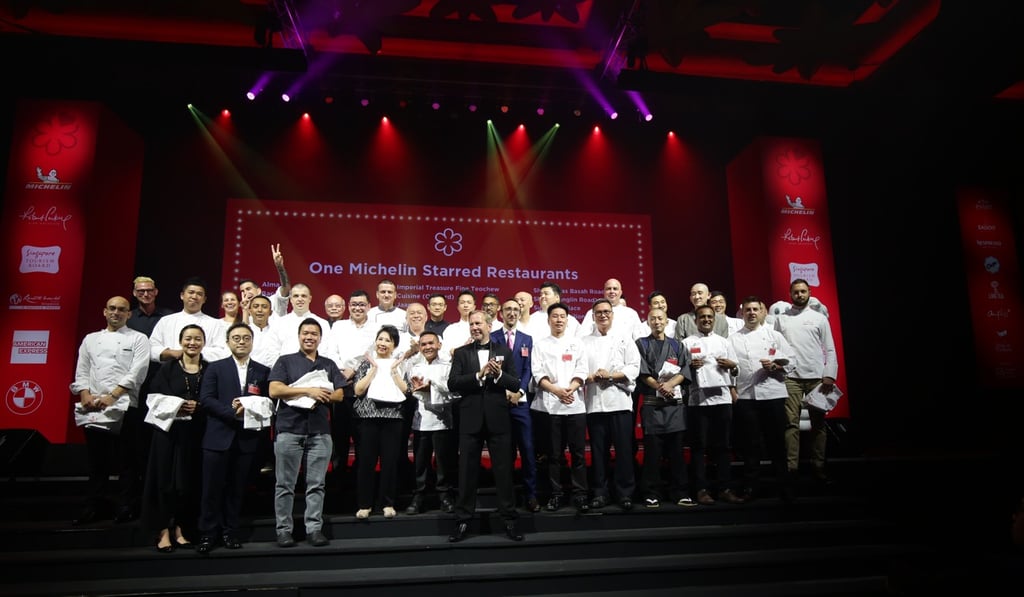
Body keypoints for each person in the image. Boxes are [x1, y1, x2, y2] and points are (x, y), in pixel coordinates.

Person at [69, 296, 150, 526]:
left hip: (125, 405)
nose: (116, 312)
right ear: (104, 311)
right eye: (112, 308)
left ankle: (126, 505)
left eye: (122, 309)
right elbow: (83, 369)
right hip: (94, 405)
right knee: (97, 461)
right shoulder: (91, 339)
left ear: (129, 314)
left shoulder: (138, 338)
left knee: (127, 460)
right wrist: (84, 393)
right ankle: (94, 506)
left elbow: (137, 372)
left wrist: (113, 395)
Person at [268, 318, 349, 548]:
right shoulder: (285, 361)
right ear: (299, 336)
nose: (309, 337)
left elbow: (339, 394)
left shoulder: (328, 364)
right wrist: (309, 391)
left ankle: (314, 529)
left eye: (314, 334)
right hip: (289, 429)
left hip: (320, 432)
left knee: (317, 484)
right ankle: (284, 530)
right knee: (285, 484)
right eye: (305, 333)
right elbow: (274, 389)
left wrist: (323, 394)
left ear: (320, 338)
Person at [447, 310, 523, 543]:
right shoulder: (461, 353)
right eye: (472, 324)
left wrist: (499, 376)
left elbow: (515, 383)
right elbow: (452, 383)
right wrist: (478, 375)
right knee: (466, 472)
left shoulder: (504, 351)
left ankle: (509, 520)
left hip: (498, 418)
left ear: (489, 326)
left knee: (503, 471)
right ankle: (462, 521)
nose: (474, 327)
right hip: (470, 419)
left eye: (478, 323)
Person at [195, 322, 271, 554]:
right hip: (217, 437)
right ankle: (208, 534)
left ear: (252, 342)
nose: (241, 342)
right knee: (211, 489)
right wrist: (232, 413)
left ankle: (230, 532)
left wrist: (250, 408)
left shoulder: (262, 371)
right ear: (227, 342)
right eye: (236, 338)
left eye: (246, 338)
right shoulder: (215, 368)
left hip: (246, 439)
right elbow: (206, 399)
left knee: (237, 489)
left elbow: (268, 401)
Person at [141, 324, 207, 552]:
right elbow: (152, 398)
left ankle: (180, 529)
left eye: (197, 339)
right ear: (180, 342)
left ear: (204, 343)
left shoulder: (209, 369)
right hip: (167, 433)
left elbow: (213, 397)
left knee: (187, 483)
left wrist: (199, 406)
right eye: (188, 338)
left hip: (195, 434)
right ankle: (162, 531)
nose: (192, 343)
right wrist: (177, 406)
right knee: (163, 481)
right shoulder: (167, 369)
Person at [729, 296, 794, 502]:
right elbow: (730, 368)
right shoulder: (733, 338)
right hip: (746, 396)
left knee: (777, 443)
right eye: (747, 310)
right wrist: (732, 389)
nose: (751, 313)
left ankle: (784, 487)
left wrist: (776, 366)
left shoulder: (774, 335)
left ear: (762, 311)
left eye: (755, 309)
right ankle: (751, 487)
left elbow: (792, 360)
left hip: (773, 393)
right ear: (742, 313)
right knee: (750, 444)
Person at [774, 279, 839, 485]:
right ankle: (791, 468)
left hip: (817, 378)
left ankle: (818, 466)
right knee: (790, 424)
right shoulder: (781, 319)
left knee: (818, 424)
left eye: (803, 291)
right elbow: (776, 347)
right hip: (790, 377)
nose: (800, 295)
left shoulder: (819, 318)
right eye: (796, 292)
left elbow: (830, 348)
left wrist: (830, 374)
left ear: (809, 292)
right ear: (790, 294)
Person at [681, 305, 745, 505]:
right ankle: (701, 489)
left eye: (710, 317)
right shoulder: (686, 343)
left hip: (722, 399)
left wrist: (732, 366)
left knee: (723, 446)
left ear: (714, 320)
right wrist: (689, 366)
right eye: (702, 317)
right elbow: (679, 372)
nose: (706, 319)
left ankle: (724, 488)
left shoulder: (724, 342)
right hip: (697, 400)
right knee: (699, 447)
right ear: (696, 320)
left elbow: (736, 370)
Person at [581, 298, 640, 511]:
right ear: (593, 316)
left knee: (624, 451)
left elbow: (634, 367)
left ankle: (625, 493)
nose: (603, 315)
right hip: (595, 403)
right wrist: (593, 376)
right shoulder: (584, 341)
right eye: (599, 312)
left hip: (620, 402)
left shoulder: (625, 338)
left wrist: (611, 376)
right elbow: (578, 369)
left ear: (612, 315)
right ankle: (599, 493)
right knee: (598, 453)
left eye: (606, 312)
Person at [531, 302, 590, 512]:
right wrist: (556, 391)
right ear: (548, 320)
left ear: (567, 320)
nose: (558, 320)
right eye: (554, 316)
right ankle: (556, 494)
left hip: (575, 405)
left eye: (562, 316)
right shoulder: (540, 345)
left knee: (578, 454)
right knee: (554, 455)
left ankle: (580, 494)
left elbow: (582, 370)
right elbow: (537, 373)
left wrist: (570, 390)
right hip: (550, 407)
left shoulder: (577, 343)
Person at [635, 307, 695, 507]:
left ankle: (680, 492)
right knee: (652, 453)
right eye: (653, 319)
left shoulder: (677, 345)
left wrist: (670, 385)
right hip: (653, 406)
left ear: (666, 321)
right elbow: (642, 372)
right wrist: (660, 386)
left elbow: (685, 370)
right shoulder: (641, 344)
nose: (657, 322)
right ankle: (651, 492)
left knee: (677, 452)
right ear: (648, 322)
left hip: (674, 405)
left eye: (660, 318)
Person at [125, 276, 173, 519]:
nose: (145, 294)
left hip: (163, 386)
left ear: (156, 292)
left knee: (160, 442)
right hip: (134, 387)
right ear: (135, 293)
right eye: (140, 291)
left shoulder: (168, 318)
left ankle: (158, 498)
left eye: (149, 290)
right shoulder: (128, 318)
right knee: (134, 445)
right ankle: (133, 501)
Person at [351, 325, 409, 520]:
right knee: (366, 462)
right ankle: (364, 504)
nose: (382, 343)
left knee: (390, 462)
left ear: (394, 345)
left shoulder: (400, 364)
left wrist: (393, 371)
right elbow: (358, 390)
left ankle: (387, 503)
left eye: (387, 340)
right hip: (368, 419)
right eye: (380, 339)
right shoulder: (366, 363)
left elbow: (406, 390)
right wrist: (374, 369)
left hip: (393, 418)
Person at [491, 298, 539, 512]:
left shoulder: (527, 339)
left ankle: (531, 495)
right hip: (499, 401)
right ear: (501, 313)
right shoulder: (492, 337)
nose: (512, 313)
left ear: (520, 313)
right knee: (504, 452)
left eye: (515, 310)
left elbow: (528, 369)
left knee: (527, 449)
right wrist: (505, 391)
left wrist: (519, 391)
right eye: (508, 309)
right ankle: (506, 497)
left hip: (520, 401)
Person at [403, 330, 457, 515]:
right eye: (423, 344)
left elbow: (455, 393)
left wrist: (431, 388)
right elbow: (409, 392)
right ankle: (419, 495)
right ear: (419, 347)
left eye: (431, 343)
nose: (427, 347)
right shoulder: (414, 367)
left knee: (443, 462)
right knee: (420, 462)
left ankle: (444, 495)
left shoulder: (448, 367)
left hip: (443, 420)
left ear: (439, 345)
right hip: (421, 421)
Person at [149, 277, 229, 365]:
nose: (194, 296)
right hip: (170, 369)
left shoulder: (215, 324)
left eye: (199, 294)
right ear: (182, 295)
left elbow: (222, 351)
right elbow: (152, 348)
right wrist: (173, 353)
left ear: (204, 299)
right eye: (191, 292)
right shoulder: (166, 321)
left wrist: (193, 352)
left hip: (203, 370)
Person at [268, 283, 330, 357]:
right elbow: (272, 352)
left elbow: (325, 352)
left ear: (310, 299)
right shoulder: (278, 323)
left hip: (314, 364)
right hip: (283, 364)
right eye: (296, 296)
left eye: (303, 296)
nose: (300, 299)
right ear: (291, 299)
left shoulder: (323, 323)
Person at [237, 243, 292, 323]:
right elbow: (244, 330)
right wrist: (245, 311)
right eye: (242, 291)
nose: (245, 293)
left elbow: (286, 287)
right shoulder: (247, 313)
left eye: (248, 289)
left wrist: (280, 267)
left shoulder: (274, 301)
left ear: (258, 290)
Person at [578, 278, 643, 340]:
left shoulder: (631, 313)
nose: (612, 291)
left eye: (615, 289)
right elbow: (583, 337)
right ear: (604, 292)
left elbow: (639, 338)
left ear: (620, 293)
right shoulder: (593, 312)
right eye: (608, 289)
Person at [441, 290, 476, 356]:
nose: (466, 305)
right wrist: (463, 349)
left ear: (474, 307)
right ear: (458, 307)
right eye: (462, 302)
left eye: (469, 302)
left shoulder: (482, 328)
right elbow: (445, 353)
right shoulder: (450, 329)